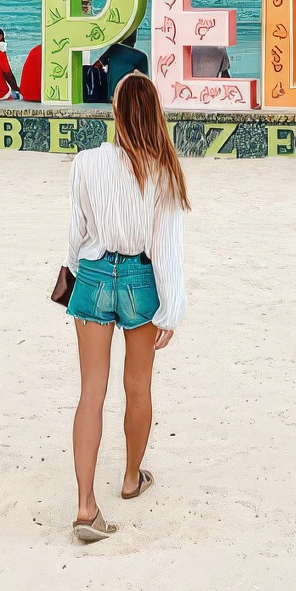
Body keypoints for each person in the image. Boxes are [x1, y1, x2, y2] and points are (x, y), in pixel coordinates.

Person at [63, 73, 187, 544]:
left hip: (94, 275)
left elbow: (77, 231)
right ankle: (132, 479)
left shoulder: (86, 162)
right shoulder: (162, 169)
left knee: (90, 391)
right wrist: (172, 308)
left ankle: (85, 507)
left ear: (116, 113)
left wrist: (73, 271)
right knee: (138, 388)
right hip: (139, 278)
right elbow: (167, 246)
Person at [89, 31, 149, 103]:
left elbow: (96, 66)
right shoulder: (141, 57)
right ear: (135, 39)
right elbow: (144, 84)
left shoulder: (114, 49)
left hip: (112, 98)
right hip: (130, 101)